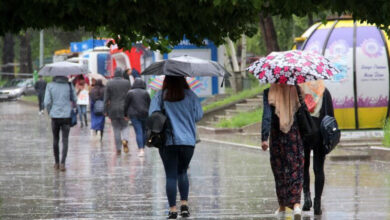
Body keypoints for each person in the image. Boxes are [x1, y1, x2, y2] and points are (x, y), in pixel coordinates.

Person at [149, 76, 203, 219]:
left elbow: (152, 115)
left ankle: (173, 210)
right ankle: (184, 206)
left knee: (171, 175)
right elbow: (198, 115)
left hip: (168, 141)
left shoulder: (160, 96)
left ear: (166, 80)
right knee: (183, 172)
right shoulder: (190, 95)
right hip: (188, 142)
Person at [261, 84, 304, 219]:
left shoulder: (269, 92)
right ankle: (296, 205)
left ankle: (282, 206)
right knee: (295, 169)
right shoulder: (296, 90)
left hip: (277, 138)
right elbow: (303, 113)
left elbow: (267, 115)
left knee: (279, 171)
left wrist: (264, 137)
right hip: (294, 136)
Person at [300, 81, 334, 215]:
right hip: (320, 134)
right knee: (318, 169)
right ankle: (317, 202)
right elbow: (330, 116)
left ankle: (307, 198)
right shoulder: (324, 91)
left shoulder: (300, 91)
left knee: (304, 167)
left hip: (304, 133)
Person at [44, 76, 77, 172]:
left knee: (55, 139)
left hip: (55, 116)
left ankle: (56, 162)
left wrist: (50, 111)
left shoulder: (50, 85)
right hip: (66, 116)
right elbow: (74, 99)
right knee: (65, 140)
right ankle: (63, 163)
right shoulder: (69, 85)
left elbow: (46, 102)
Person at [104, 68, 131, 155]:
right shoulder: (127, 83)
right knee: (125, 126)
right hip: (124, 109)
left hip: (113, 109)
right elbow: (129, 96)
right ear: (122, 74)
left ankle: (118, 149)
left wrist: (105, 110)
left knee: (116, 129)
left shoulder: (109, 83)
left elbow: (106, 99)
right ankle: (125, 140)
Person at [124, 78, 151, 157]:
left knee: (138, 131)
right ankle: (143, 145)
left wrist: (125, 114)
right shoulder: (146, 93)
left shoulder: (130, 92)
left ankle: (141, 149)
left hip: (134, 115)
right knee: (144, 131)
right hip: (145, 114)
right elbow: (149, 103)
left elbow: (126, 104)